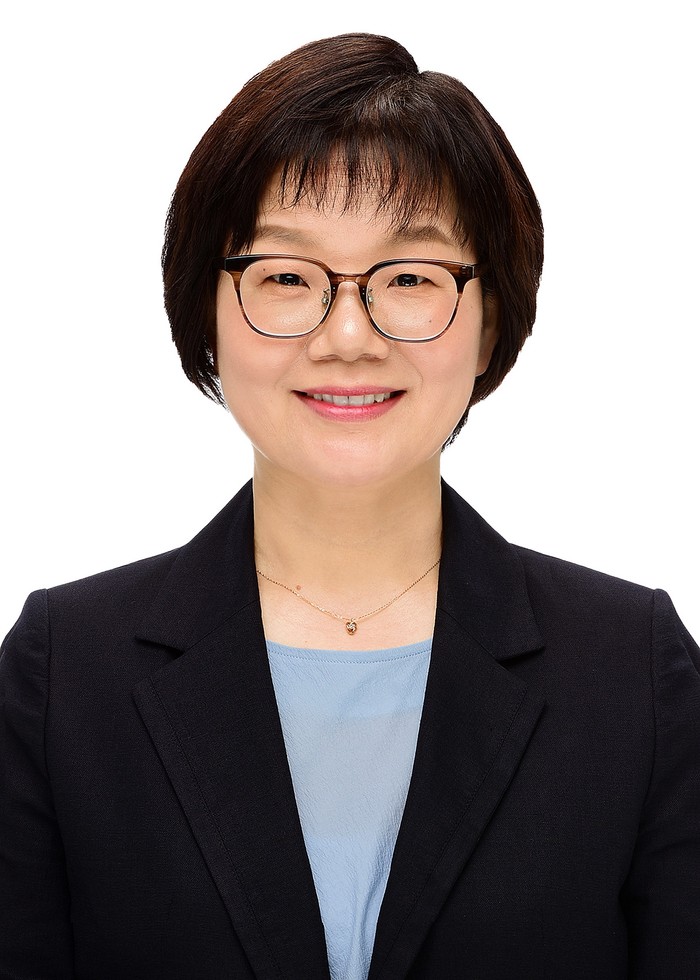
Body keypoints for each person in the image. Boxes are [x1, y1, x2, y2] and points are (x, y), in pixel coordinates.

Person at [1, 31, 698, 980]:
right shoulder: (62, 674)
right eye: (287, 277)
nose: (347, 336)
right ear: (206, 311)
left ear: (490, 319)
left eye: (408, 279)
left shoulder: (633, 673)